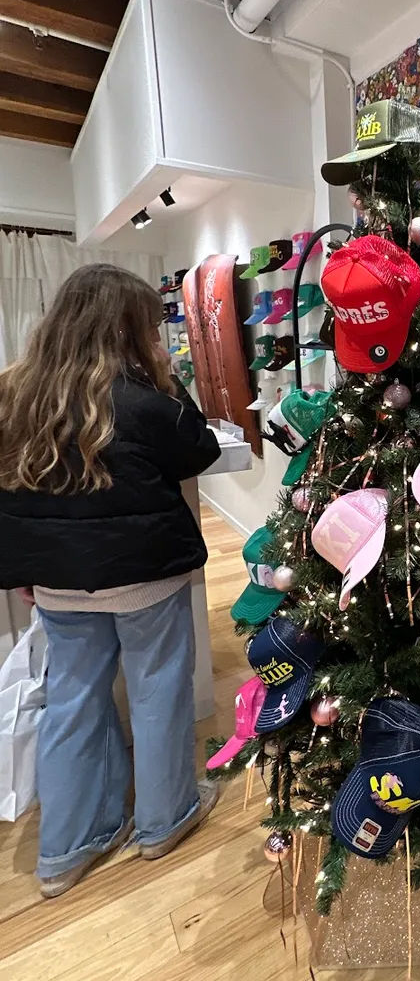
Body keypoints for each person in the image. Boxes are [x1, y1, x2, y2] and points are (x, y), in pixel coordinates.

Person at [0, 263, 222, 897]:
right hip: (145, 579)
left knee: (71, 703)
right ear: (131, 331)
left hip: (58, 584)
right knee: (158, 695)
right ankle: (162, 822)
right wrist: (170, 378)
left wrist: (24, 570)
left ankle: (65, 852)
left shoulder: (16, 396)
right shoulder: (149, 403)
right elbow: (200, 449)